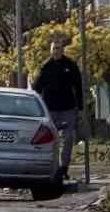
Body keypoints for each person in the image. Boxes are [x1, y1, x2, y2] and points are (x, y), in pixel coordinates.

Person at [32, 34, 84, 176]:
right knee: (50, 140)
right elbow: (37, 88)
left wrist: (80, 108)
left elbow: (78, 87)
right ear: (50, 50)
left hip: (68, 109)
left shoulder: (70, 65)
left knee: (68, 139)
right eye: (54, 48)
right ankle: (52, 167)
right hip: (50, 110)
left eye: (59, 48)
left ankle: (64, 168)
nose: (56, 51)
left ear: (63, 50)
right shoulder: (45, 67)